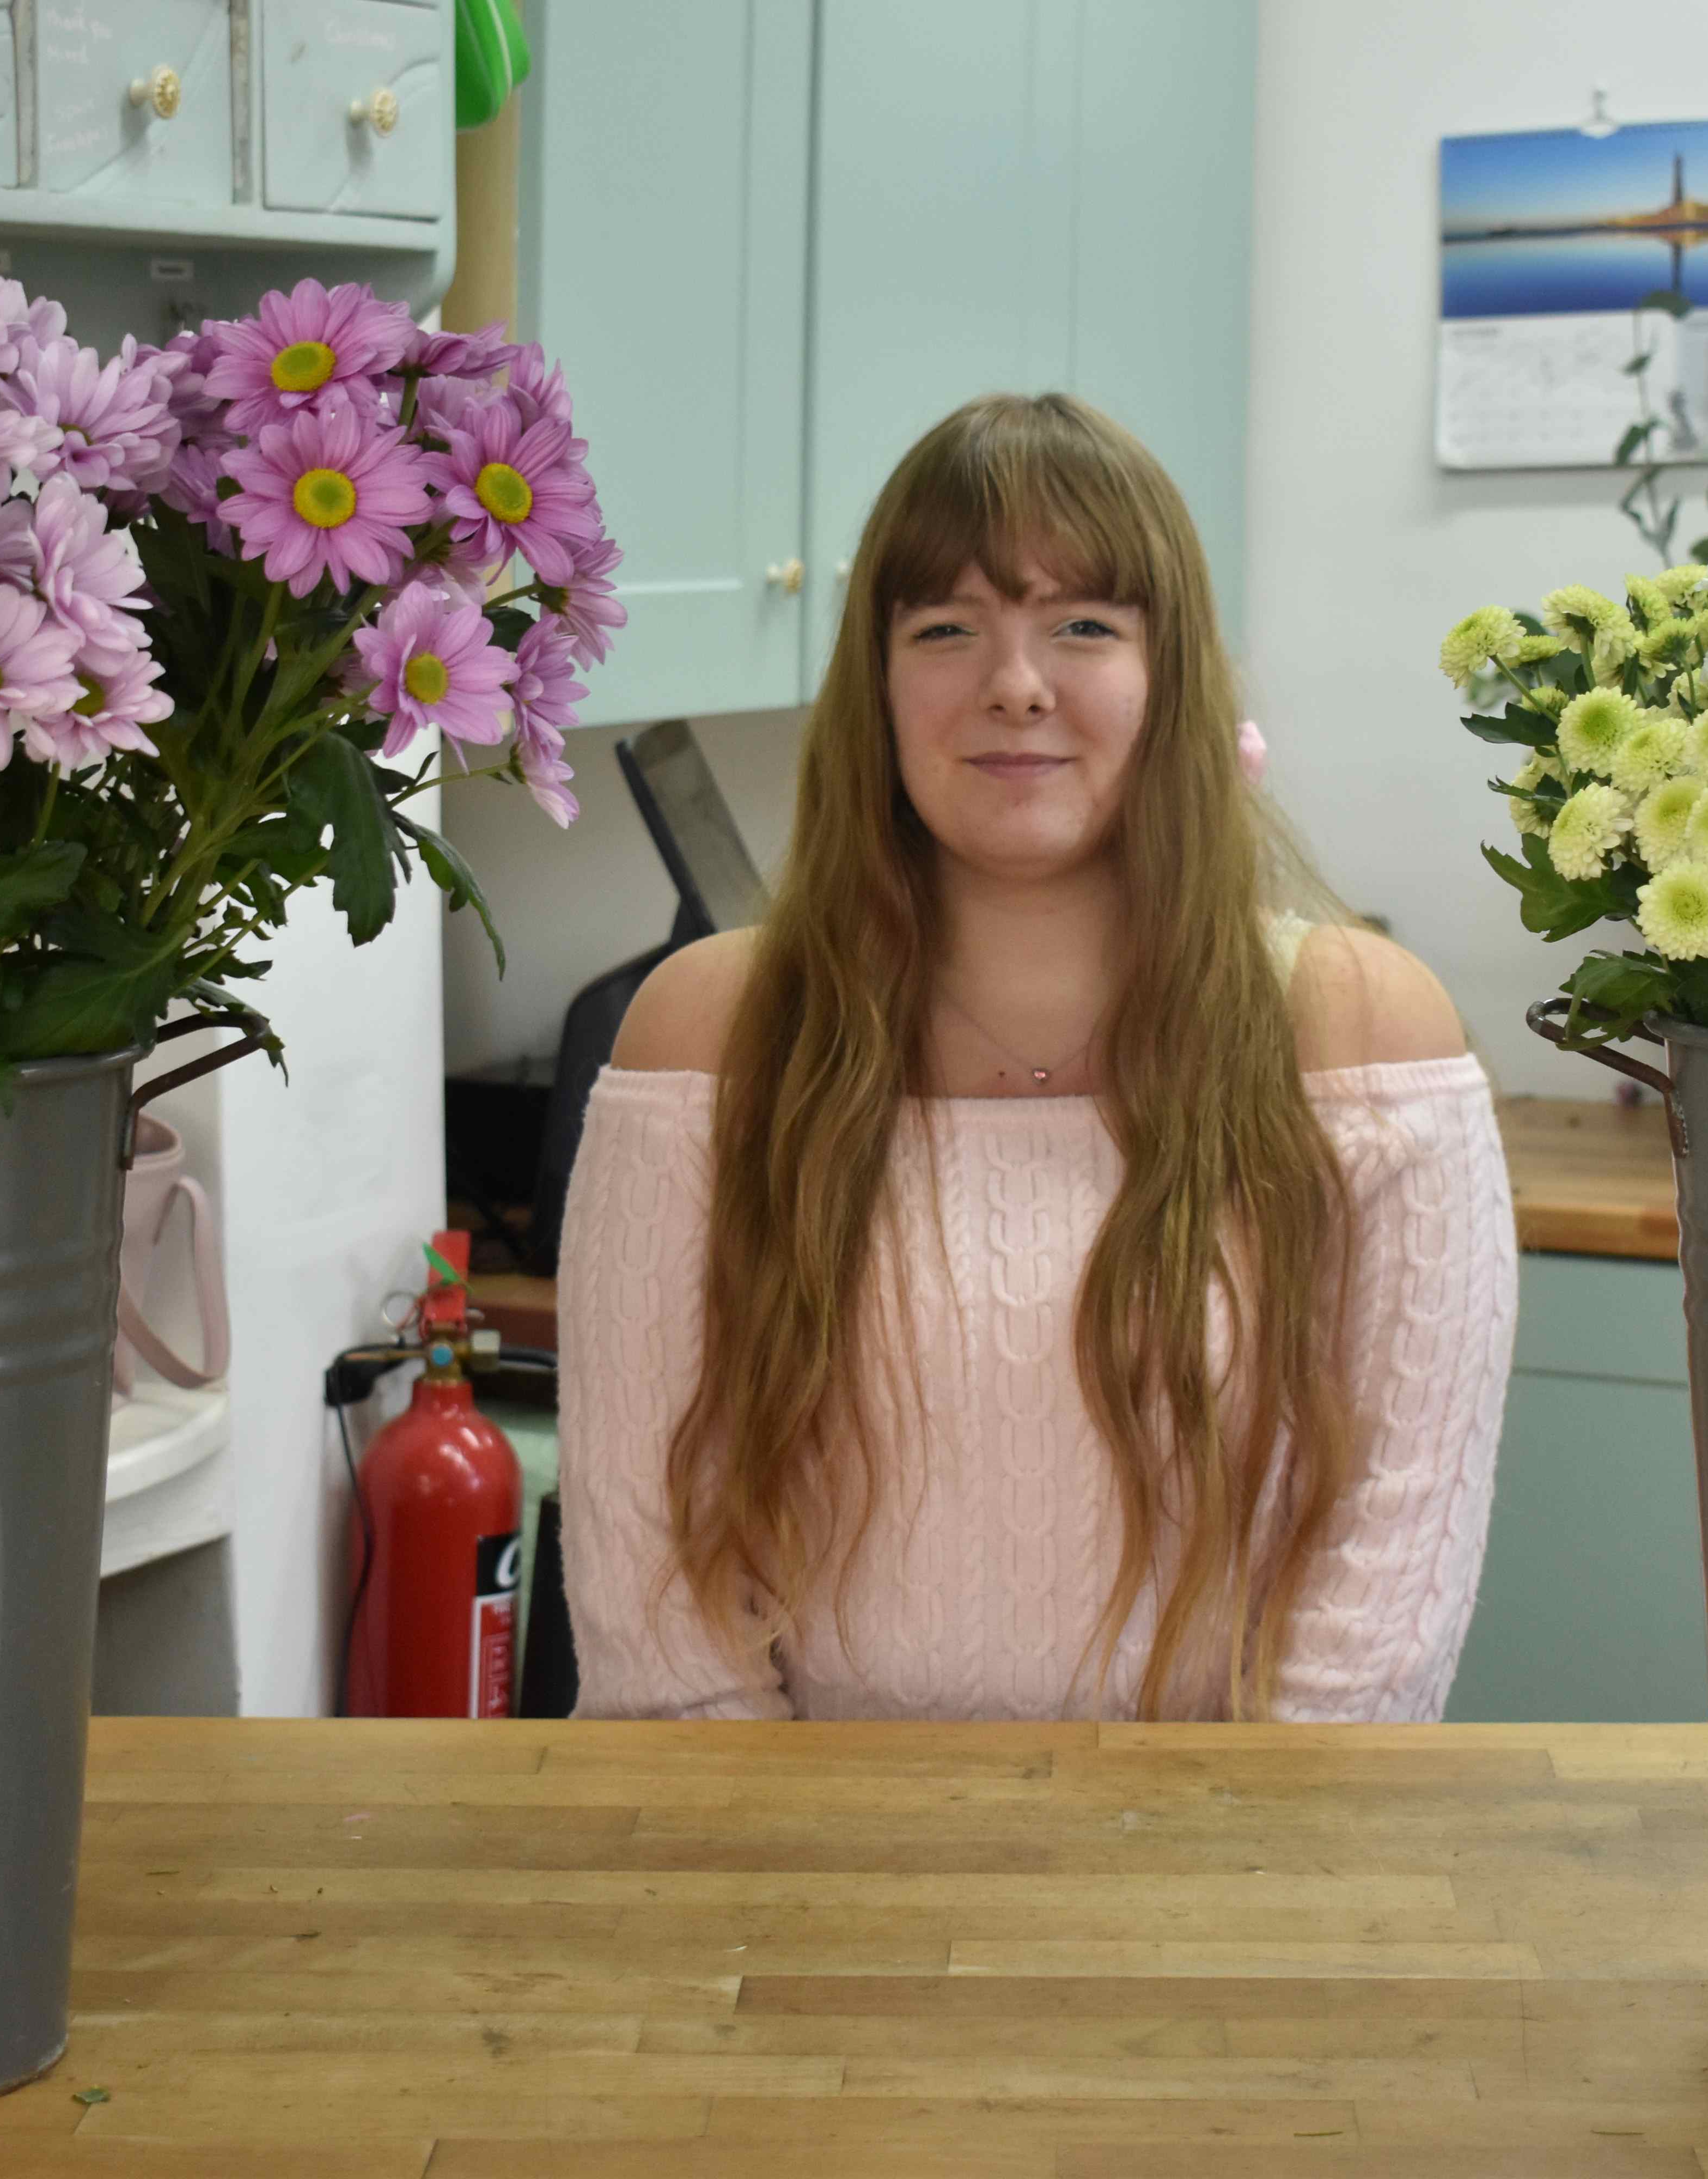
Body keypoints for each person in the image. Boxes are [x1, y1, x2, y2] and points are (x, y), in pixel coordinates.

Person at [557, 392, 1517, 1722]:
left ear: (1170, 679)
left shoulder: (1364, 1038)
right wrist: (781, 1890)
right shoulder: (706, 1039)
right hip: (798, 1879)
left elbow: (1387, 1599)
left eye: (1083, 625)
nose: (1015, 681)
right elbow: (646, 1582)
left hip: (1226, 1878)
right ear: (877, 688)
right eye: (945, 628)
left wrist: (1239, 1889)